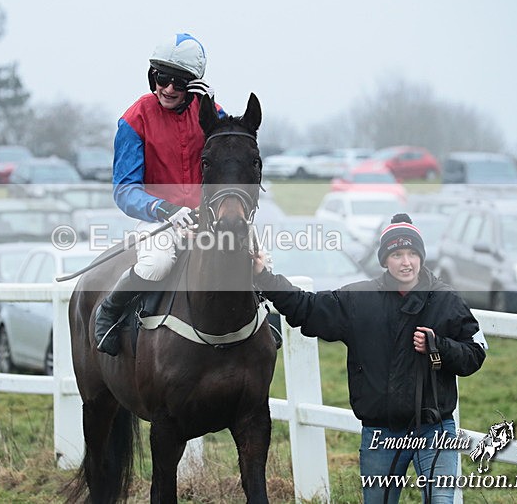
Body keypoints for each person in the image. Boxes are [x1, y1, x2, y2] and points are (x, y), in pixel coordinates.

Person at [252, 213, 486, 503]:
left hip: (434, 429)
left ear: (421, 257)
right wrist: (264, 276)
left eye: (412, 253)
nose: (406, 262)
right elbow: (306, 307)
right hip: (381, 432)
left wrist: (439, 347)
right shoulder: (359, 299)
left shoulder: (446, 300)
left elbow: (476, 353)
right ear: (385, 260)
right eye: (397, 254)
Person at [94, 32, 221, 356]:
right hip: (159, 221)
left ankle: (264, 322)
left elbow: (231, 156)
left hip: (207, 219)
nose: (168, 88)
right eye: (162, 78)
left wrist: (213, 116)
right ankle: (109, 311)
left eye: (179, 83)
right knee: (157, 264)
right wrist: (165, 210)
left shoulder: (211, 113)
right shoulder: (134, 119)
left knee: (255, 256)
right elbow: (125, 190)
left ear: (194, 85)